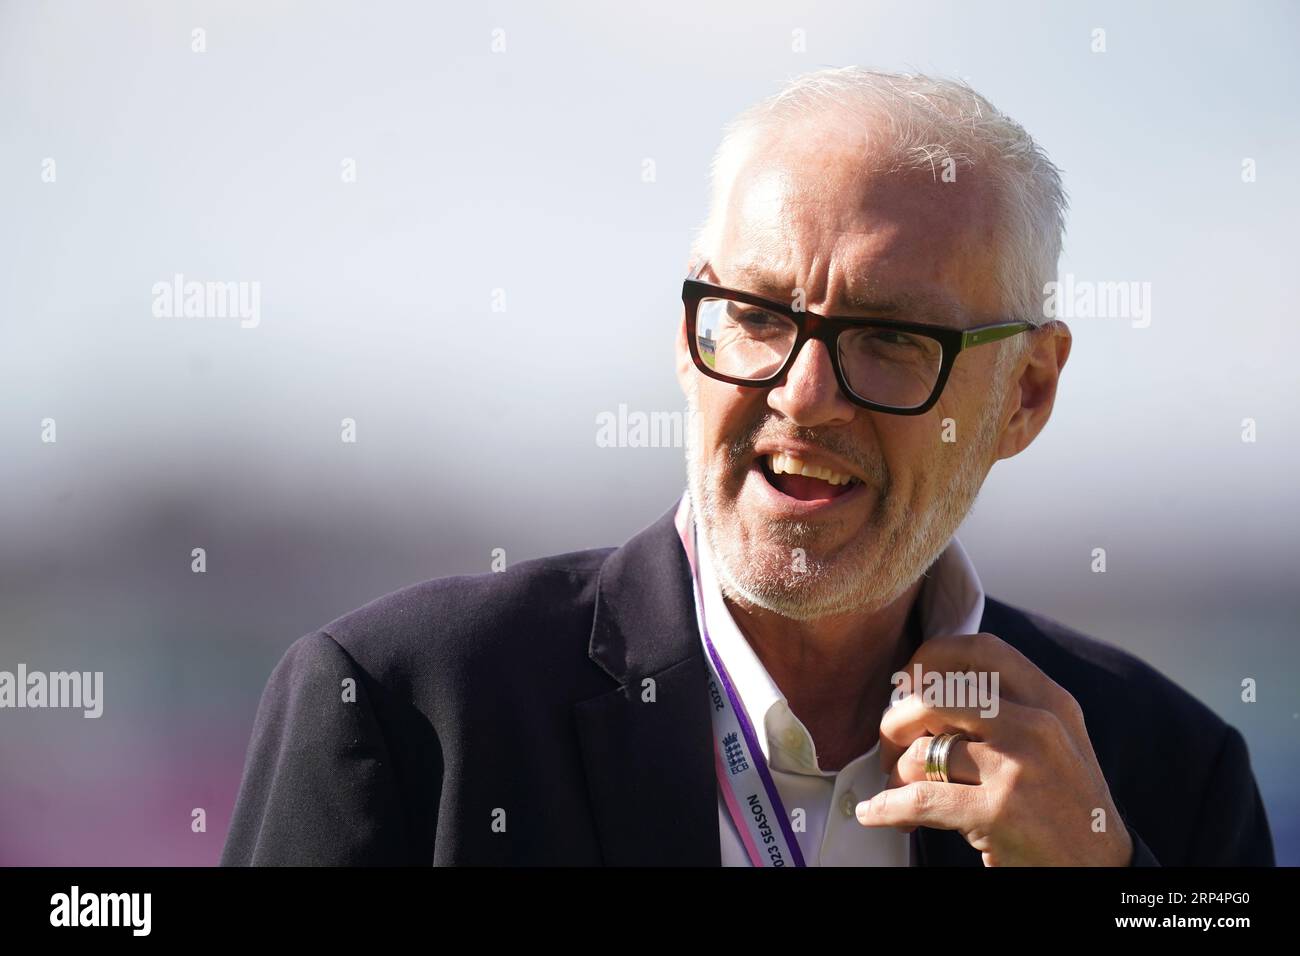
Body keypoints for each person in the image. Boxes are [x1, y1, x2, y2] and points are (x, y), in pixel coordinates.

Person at [221, 68, 1273, 866]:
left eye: (891, 338)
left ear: (1026, 393)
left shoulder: (1164, 775)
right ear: (690, 337)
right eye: (759, 316)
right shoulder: (407, 710)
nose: (803, 396)